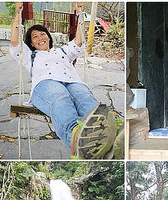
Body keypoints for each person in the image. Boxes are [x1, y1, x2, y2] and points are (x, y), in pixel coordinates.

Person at [9, 2, 118, 159]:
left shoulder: (62, 51)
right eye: (35, 36)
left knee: (85, 98)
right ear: (31, 44)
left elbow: (79, 41)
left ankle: (105, 133)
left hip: (73, 82)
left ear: (48, 37)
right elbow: (15, 41)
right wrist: (18, 12)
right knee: (60, 97)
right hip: (46, 85)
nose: (40, 37)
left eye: (42, 34)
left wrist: (80, 13)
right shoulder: (29, 56)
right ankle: (76, 137)